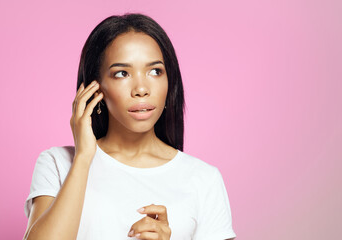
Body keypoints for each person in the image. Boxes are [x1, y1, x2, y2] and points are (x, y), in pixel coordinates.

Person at [23, 13, 236, 240]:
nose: (141, 88)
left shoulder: (204, 180)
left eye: (155, 71)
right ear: (96, 89)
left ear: (169, 81)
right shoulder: (57, 164)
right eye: (122, 73)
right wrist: (84, 157)